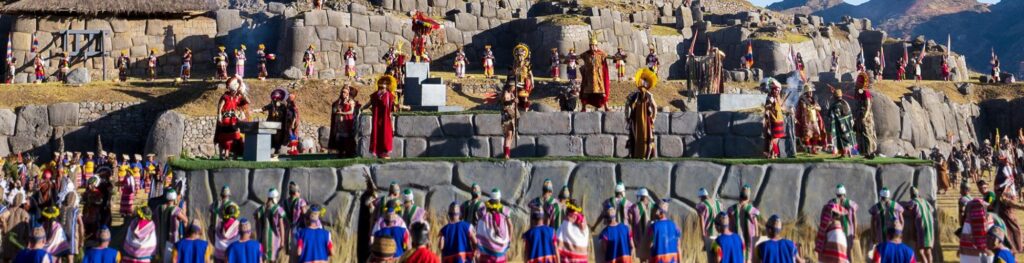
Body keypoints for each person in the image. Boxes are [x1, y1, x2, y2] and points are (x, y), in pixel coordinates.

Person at [816, 185, 859, 263]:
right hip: (838, 230)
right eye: (839, 195)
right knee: (843, 252)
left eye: (840, 196)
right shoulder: (835, 203)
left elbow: (854, 219)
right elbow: (825, 211)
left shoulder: (848, 203)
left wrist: (855, 232)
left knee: (847, 252)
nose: (840, 197)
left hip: (844, 231)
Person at [363, 75, 398, 158]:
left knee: (386, 135)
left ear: (387, 85)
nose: (382, 85)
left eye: (385, 84)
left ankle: (385, 152)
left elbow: (394, 105)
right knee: (376, 134)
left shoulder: (390, 95)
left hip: (386, 119)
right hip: (376, 118)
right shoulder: (375, 95)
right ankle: (378, 152)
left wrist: (402, 107)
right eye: (381, 83)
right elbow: (369, 103)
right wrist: (362, 108)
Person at [626, 68, 658, 159]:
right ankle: (633, 154)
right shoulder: (634, 95)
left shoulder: (648, 95)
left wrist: (653, 118)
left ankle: (647, 155)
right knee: (633, 135)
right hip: (636, 119)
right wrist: (627, 116)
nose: (643, 83)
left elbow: (654, 107)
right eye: (642, 81)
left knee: (647, 136)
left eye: (645, 81)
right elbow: (627, 105)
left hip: (646, 119)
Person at [215, 77, 250, 159]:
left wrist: (242, 93)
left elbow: (248, 102)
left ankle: (233, 154)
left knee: (235, 137)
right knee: (223, 137)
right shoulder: (225, 96)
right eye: (234, 90)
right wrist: (219, 115)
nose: (235, 92)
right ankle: (223, 155)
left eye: (236, 91)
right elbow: (220, 107)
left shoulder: (236, 98)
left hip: (233, 120)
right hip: (224, 119)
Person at [256, 88, 298, 156]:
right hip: (271, 124)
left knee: (280, 138)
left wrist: (292, 122)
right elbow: (263, 108)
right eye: (275, 98)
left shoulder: (285, 106)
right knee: (271, 137)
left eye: (277, 98)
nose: (276, 100)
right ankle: (269, 150)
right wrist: (256, 110)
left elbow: (291, 116)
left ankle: (280, 150)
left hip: (281, 126)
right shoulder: (272, 105)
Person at [478, 189, 512, 263]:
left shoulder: (483, 209)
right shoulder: (504, 210)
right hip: (500, 247)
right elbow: (510, 226)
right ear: (499, 199)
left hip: (487, 246)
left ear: (490, 198)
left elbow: (479, 223)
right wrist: (509, 240)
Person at [901, 187, 934, 263]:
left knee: (920, 251)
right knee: (928, 250)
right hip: (930, 227)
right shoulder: (925, 201)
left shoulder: (913, 202)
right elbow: (931, 209)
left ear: (911, 195)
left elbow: (906, 209)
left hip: (921, 227)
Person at [579, 33, 611, 112]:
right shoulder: (586, 54)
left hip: (598, 78)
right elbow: (577, 57)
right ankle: (583, 107)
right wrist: (569, 57)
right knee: (585, 93)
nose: (592, 47)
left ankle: (606, 107)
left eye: (593, 45)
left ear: (596, 46)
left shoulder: (601, 54)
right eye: (590, 45)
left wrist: (618, 57)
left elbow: (610, 56)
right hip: (588, 77)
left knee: (602, 93)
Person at [728, 185, 760, 259]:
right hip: (749, 240)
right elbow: (756, 225)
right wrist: (756, 239)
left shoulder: (732, 209)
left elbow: (729, 224)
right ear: (748, 198)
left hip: (735, 238)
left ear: (739, 196)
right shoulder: (752, 210)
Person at [155, 187, 187, 262]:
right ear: (174, 198)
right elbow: (185, 220)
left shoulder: (159, 208)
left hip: (160, 240)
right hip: (172, 240)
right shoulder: (176, 210)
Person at [254, 188, 285, 261]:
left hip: (263, 237)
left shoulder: (261, 208)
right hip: (275, 239)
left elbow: (256, 219)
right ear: (274, 197)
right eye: (277, 197)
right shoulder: (278, 209)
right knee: (273, 259)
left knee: (264, 258)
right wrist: (282, 240)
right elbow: (281, 226)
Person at [330, 85, 359, 157]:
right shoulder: (340, 101)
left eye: (345, 92)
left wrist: (342, 113)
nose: (343, 94)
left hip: (348, 121)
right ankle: (341, 152)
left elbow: (351, 112)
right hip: (340, 122)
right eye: (342, 92)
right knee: (340, 137)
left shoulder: (351, 101)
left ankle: (350, 152)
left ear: (348, 93)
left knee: (348, 137)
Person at [796, 84, 827, 153]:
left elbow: (819, 108)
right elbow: (801, 109)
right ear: (805, 93)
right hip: (806, 120)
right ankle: (808, 149)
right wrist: (806, 106)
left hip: (814, 120)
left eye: (811, 92)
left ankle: (814, 148)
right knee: (807, 135)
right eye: (809, 92)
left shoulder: (814, 100)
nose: (810, 93)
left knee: (816, 134)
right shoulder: (802, 100)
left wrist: (815, 107)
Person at [556, 199, 589, 263]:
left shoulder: (565, 224)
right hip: (582, 260)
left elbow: (557, 243)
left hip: (569, 260)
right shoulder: (584, 224)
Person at [696, 187, 723, 262]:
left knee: (711, 258)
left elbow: (701, 220)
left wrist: (703, 234)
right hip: (720, 233)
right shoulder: (718, 203)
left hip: (710, 234)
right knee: (720, 256)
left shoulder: (701, 205)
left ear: (701, 197)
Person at [629, 188, 656, 262]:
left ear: (640, 197)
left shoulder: (634, 207)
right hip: (650, 235)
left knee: (642, 257)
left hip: (639, 236)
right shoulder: (652, 206)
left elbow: (630, 220)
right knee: (650, 255)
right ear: (646, 197)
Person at [855, 72, 877, 158]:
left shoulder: (866, 93)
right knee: (861, 135)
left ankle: (870, 152)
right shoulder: (860, 92)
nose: (857, 83)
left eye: (859, 82)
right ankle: (865, 153)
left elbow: (868, 106)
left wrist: (864, 117)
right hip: (860, 116)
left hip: (866, 118)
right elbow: (858, 95)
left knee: (867, 135)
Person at [828, 87, 855, 157]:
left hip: (840, 126)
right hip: (848, 125)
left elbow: (832, 116)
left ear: (835, 97)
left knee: (841, 139)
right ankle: (849, 153)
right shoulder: (846, 103)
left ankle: (844, 153)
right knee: (847, 139)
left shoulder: (835, 105)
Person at [763, 78, 785, 158]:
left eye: (778, 90)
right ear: (772, 90)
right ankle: (772, 153)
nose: (777, 91)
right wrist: (768, 107)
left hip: (779, 120)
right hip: (773, 121)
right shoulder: (770, 98)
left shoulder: (777, 98)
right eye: (775, 90)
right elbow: (767, 107)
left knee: (776, 139)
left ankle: (774, 153)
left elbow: (780, 108)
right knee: (773, 139)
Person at [500, 79, 519, 159]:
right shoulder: (505, 93)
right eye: (514, 86)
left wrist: (515, 101)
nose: (515, 88)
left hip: (512, 117)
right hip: (507, 116)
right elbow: (505, 102)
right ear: (511, 86)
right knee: (508, 135)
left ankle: (507, 153)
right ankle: (506, 154)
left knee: (510, 136)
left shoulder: (512, 93)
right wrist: (512, 101)